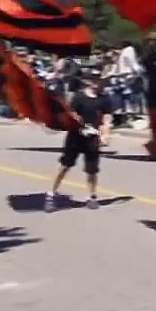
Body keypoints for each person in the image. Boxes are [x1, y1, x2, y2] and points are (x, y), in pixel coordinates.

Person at [45, 71, 112, 212]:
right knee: (65, 166)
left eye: (100, 80)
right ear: (88, 81)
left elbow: (107, 119)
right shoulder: (79, 97)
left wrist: (105, 134)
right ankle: (51, 194)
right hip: (75, 137)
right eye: (94, 79)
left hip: (92, 138)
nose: (97, 83)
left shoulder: (105, 99)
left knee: (92, 170)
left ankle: (92, 196)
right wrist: (81, 126)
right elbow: (71, 115)